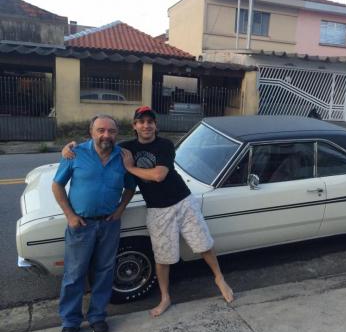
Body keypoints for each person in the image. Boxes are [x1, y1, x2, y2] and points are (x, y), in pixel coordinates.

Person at [62, 106, 233, 318]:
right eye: (141, 122)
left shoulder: (165, 145)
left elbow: (159, 175)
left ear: (155, 125)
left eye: (150, 122)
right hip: (157, 209)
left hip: (182, 200)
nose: (146, 125)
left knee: (203, 243)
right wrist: (71, 147)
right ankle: (165, 298)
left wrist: (131, 168)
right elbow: (102, 144)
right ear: (134, 126)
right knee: (162, 257)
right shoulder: (126, 148)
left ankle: (219, 278)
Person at [53, 114, 135, 332]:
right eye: (101, 130)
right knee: (74, 274)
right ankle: (70, 322)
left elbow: (130, 187)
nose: (106, 135)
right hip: (81, 224)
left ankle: (98, 316)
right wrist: (69, 215)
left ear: (117, 134)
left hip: (109, 224)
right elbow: (57, 184)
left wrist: (120, 210)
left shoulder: (124, 157)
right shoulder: (75, 153)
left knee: (104, 271)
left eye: (111, 131)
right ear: (91, 132)